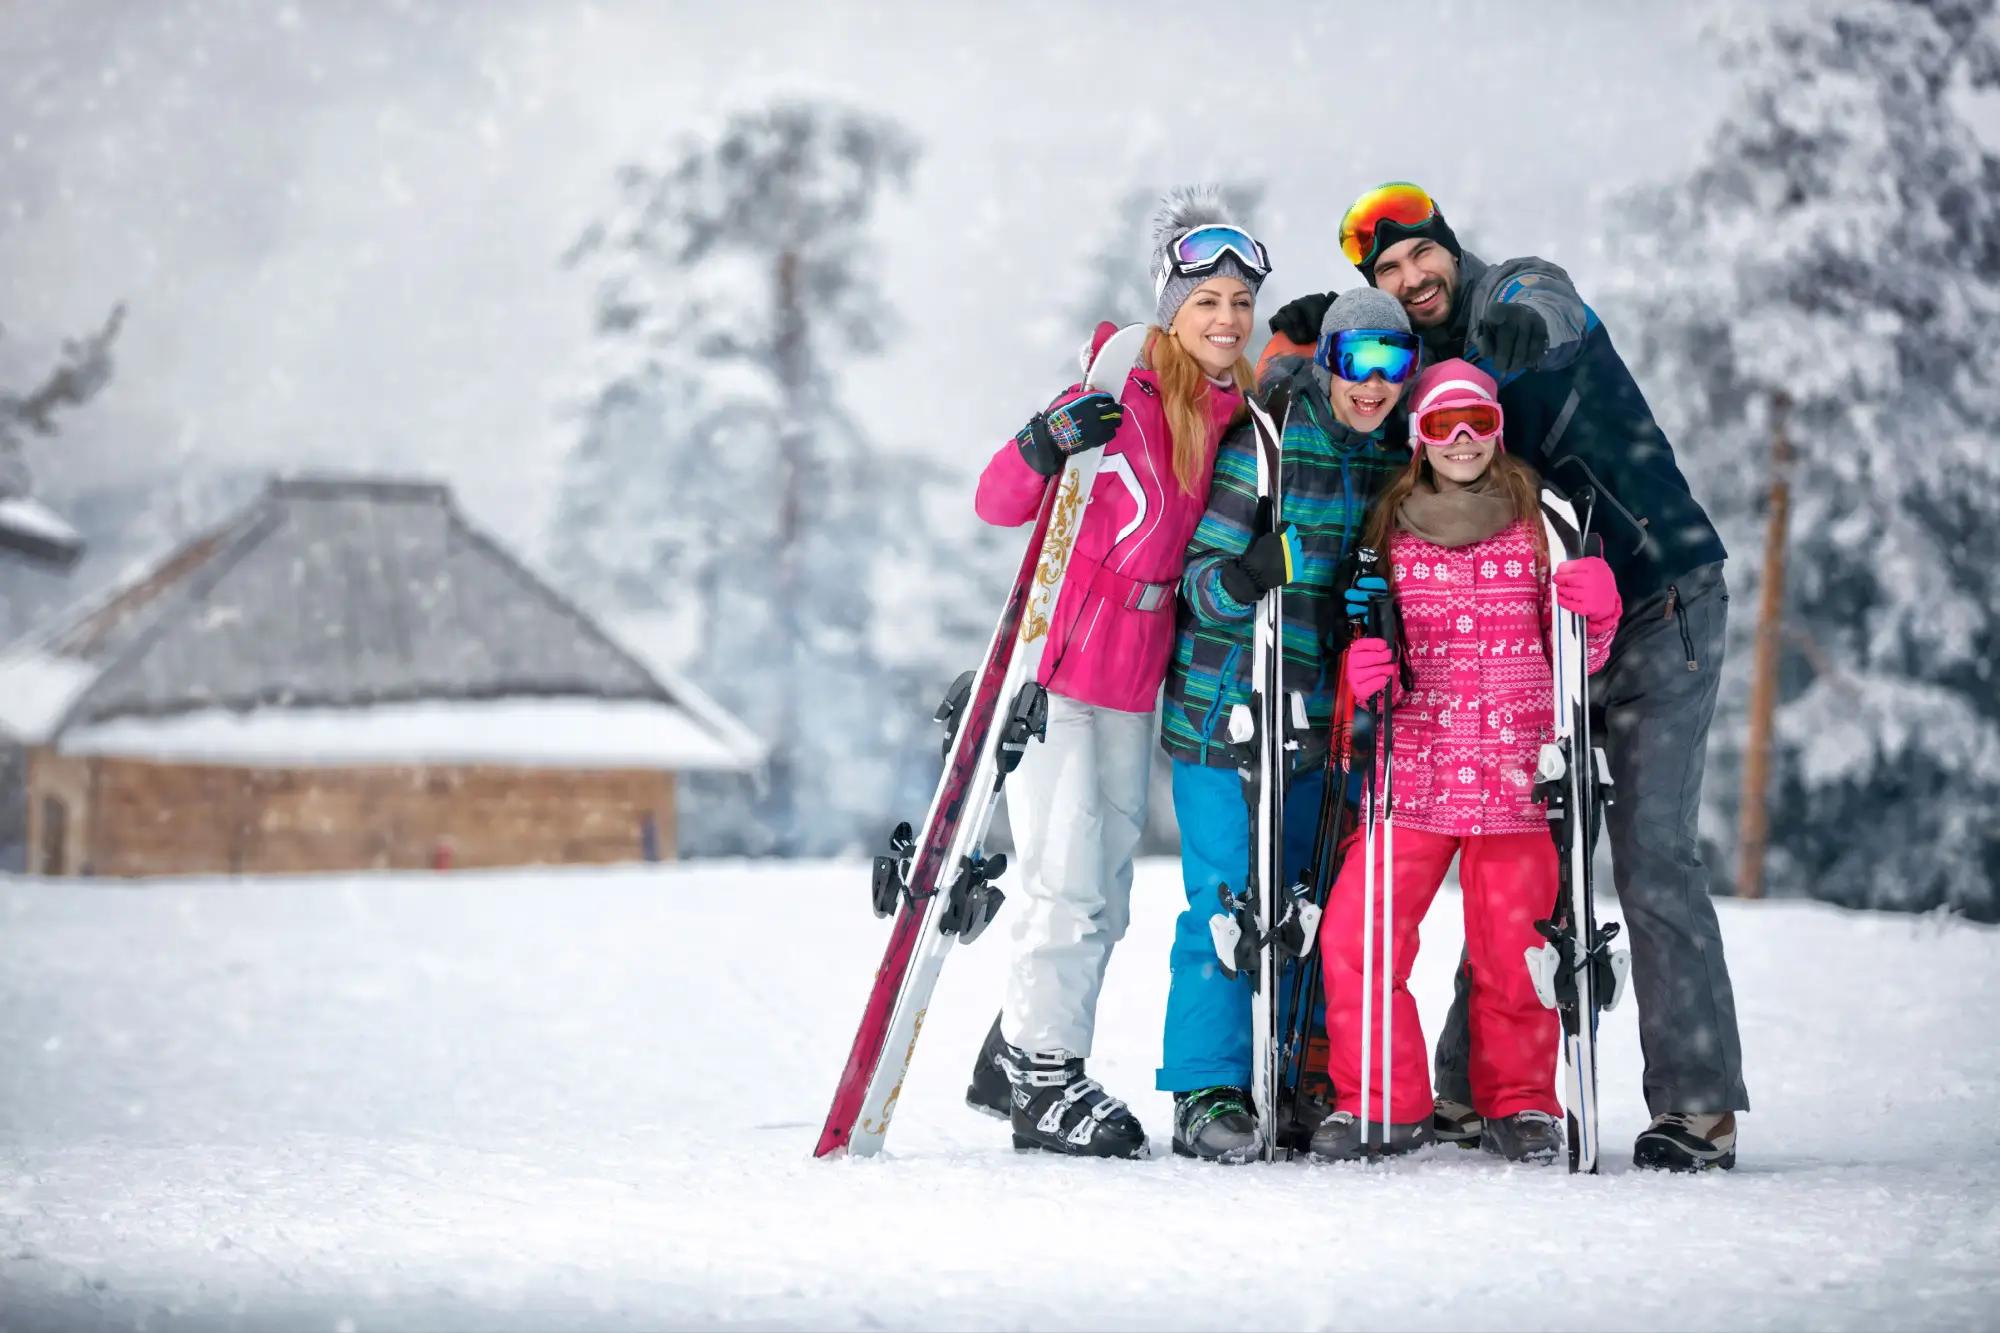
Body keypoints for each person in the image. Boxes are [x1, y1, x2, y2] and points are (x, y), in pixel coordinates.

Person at [1265, 181, 1745, 1172]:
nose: (1410, 279)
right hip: (1538, 641)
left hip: (1655, 602)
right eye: (1385, 274)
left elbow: (1554, 303)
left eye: (1417, 257)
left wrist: (1526, 322)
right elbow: (1347, 388)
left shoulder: (1509, 299)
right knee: (1515, 870)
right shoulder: (1434, 370)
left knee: (1651, 853)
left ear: (1449, 246)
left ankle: (1693, 1104)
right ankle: (1476, 1091)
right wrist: (1298, 347)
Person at [962, 187, 1271, 1158]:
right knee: (1064, 878)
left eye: (1238, 302)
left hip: (1136, 678)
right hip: (1057, 663)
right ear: (1170, 303)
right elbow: (996, 499)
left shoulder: (1229, 413)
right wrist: (1042, 441)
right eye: (1205, 299)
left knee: (1106, 885)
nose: (1224, 318)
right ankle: (1044, 1078)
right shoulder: (1120, 385)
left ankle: (1013, 1048)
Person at [1308, 359, 1621, 1163]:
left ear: (1497, 431)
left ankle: (1520, 1104)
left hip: (1519, 771)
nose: (1461, 440)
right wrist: (1359, 671)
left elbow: (1576, 657)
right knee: (1357, 935)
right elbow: (1361, 631)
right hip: (1412, 768)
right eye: (1444, 425)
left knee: (1516, 954)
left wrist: (1600, 614)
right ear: (1419, 437)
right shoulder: (1390, 527)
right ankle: (1382, 1099)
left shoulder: (1539, 519)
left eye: (1477, 423)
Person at [1156, 288, 1418, 1163]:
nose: (1372, 384)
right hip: (1223, 712)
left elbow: (1374, 581)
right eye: (1356, 361)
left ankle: (1288, 1072)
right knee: (1228, 902)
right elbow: (1196, 582)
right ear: (1329, 361)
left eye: (1391, 364)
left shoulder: (1394, 460)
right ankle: (1207, 1088)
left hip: (1317, 719)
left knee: (1302, 902)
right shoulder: (1265, 446)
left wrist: (1366, 624)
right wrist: (1249, 575)